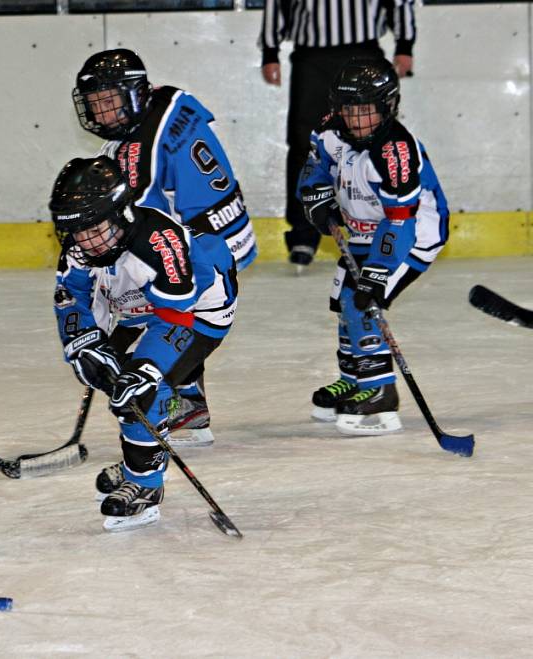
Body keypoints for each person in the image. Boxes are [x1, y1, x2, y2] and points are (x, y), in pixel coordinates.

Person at [72, 48, 254, 447]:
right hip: (197, 247)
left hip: (200, 261)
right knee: (123, 346)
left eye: (109, 103)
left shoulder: (147, 145)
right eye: (95, 105)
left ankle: (174, 404)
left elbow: (152, 222)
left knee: (138, 360)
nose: (101, 114)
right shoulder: (160, 113)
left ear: (135, 95)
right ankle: (189, 401)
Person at [49, 156, 237, 532]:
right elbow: (70, 296)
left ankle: (146, 485)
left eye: (94, 228)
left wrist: (147, 369)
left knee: (141, 388)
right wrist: (83, 344)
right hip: (141, 309)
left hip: (199, 309)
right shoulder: (83, 245)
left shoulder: (157, 241)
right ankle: (145, 451)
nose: (85, 241)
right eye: (77, 231)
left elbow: (177, 319)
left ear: (120, 213)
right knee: (116, 377)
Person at [298, 57, 449, 435]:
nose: (358, 120)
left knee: (361, 298)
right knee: (343, 300)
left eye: (368, 111)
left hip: (412, 233)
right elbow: (315, 169)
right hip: (364, 230)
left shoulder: (395, 150)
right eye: (350, 110)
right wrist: (316, 199)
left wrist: (378, 273)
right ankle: (354, 376)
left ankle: (380, 389)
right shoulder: (329, 131)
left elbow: (400, 221)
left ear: (388, 107)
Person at [259, 0, 416, 273]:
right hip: (311, 56)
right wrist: (270, 51)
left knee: (376, 137)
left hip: (364, 50)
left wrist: (404, 45)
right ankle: (303, 234)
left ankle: (383, 224)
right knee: (303, 142)